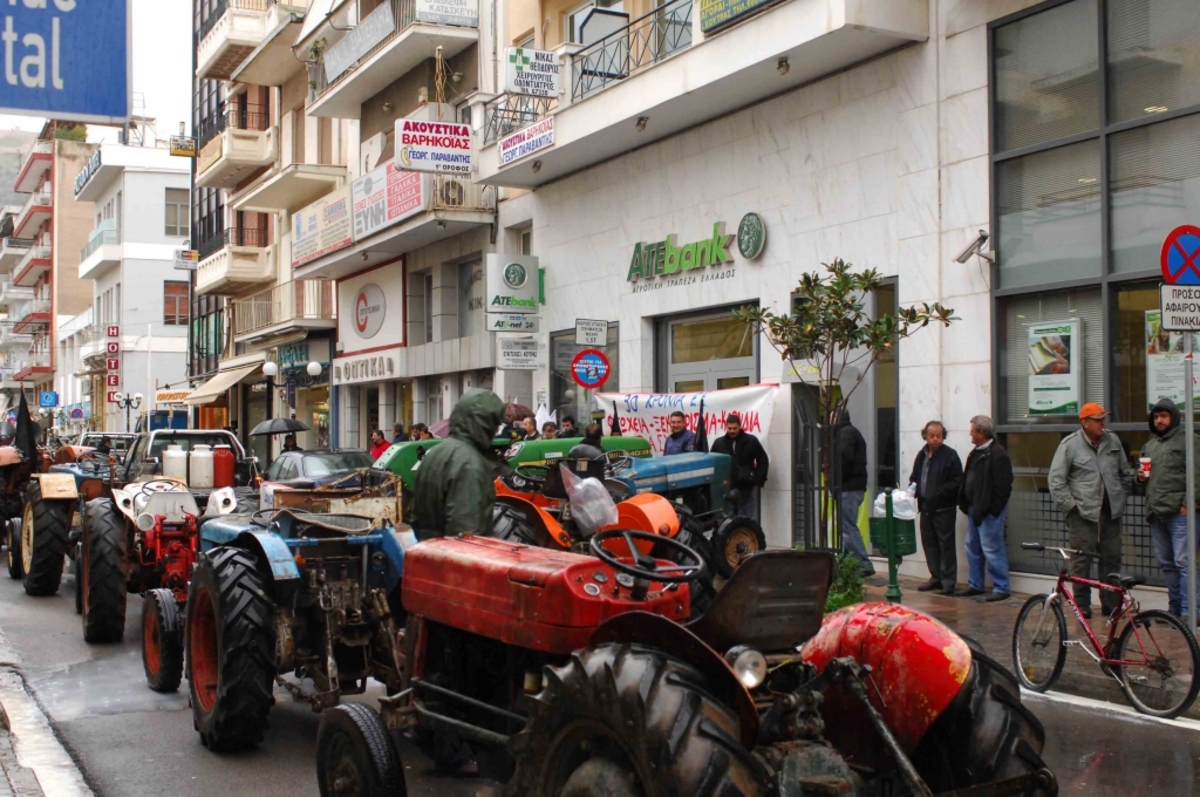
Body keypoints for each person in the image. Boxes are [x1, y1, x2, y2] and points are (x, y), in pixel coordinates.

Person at [1046, 403, 1134, 618]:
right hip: (1083, 515)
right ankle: (1082, 605)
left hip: (1110, 514)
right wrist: (1071, 507)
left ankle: (1111, 605)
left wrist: (1121, 497)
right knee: (1081, 561)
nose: (1103, 423)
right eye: (1098, 419)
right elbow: (1056, 481)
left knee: (1111, 559)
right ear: (1085, 423)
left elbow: (1126, 473)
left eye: (1104, 418)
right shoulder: (1070, 445)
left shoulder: (1112, 440)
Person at [413, 389, 508, 538]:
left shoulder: (435, 452)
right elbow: (467, 533)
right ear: (484, 424)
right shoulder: (470, 465)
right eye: (494, 424)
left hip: (427, 548)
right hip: (452, 555)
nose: (496, 431)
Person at [1141, 398, 1199, 617]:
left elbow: (1197, 474)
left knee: (1184, 562)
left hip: (1179, 513)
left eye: (1164, 416)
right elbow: (1145, 477)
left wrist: (1187, 504)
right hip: (1156, 513)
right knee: (1167, 564)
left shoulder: (1189, 441)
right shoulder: (1150, 445)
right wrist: (1139, 478)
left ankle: (1190, 611)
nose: (1159, 420)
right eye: (1156, 417)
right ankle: (1174, 609)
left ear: (1174, 417)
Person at [957, 415, 1014, 602]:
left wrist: (994, 510)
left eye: (973, 430)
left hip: (989, 511)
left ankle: (1001, 586)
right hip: (975, 507)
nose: (970, 434)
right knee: (972, 547)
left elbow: (1004, 487)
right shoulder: (975, 453)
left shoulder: (998, 454)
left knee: (992, 548)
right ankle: (975, 584)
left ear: (982, 433)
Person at [908, 421, 963, 595]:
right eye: (932, 435)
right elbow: (916, 476)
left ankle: (948, 581)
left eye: (939, 435)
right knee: (929, 543)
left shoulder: (950, 455)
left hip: (943, 507)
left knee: (945, 544)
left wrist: (938, 493)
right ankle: (935, 577)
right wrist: (912, 488)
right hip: (925, 506)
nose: (935, 439)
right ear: (925, 435)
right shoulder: (922, 454)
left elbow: (956, 481)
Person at [825, 407, 870, 576]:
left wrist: (835, 480)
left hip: (848, 487)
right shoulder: (847, 433)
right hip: (850, 486)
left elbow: (843, 459)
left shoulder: (845, 434)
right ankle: (847, 561)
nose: (828, 421)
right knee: (845, 526)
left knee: (847, 526)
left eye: (830, 417)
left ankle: (862, 563)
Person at [710, 413, 769, 521]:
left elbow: (763, 460)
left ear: (740, 426)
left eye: (734, 428)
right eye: (729, 428)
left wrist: (757, 480)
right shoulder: (719, 443)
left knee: (747, 521)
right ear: (726, 427)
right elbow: (712, 463)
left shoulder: (751, 441)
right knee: (727, 521)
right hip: (727, 488)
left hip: (746, 488)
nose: (732, 431)